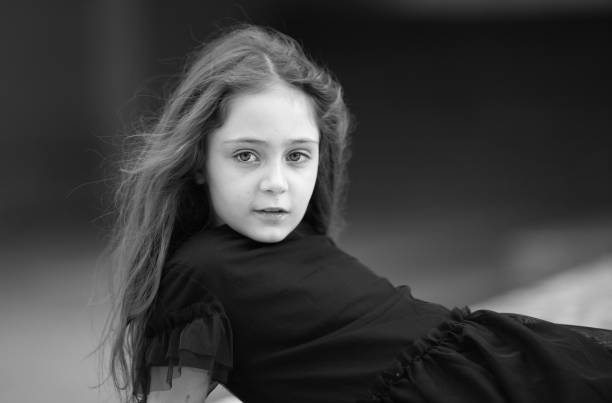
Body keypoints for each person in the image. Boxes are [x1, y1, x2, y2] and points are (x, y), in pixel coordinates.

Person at [100, 25, 612, 403]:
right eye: (246, 155)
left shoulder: (301, 244)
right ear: (197, 161)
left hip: (509, 366)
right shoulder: (197, 275)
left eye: (297, 155)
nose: (276, 182)